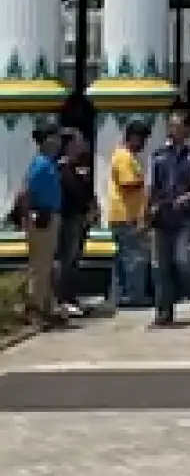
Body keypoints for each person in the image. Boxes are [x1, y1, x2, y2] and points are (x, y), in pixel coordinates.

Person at [146, 111, 190, 326]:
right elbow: (150, 186)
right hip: (163, 216)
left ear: (187, 129)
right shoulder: (158, 154)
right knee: (160, 265)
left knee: (183, 260)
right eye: (171, 126)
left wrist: (187, 198)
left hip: (187, 217)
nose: (172, 130)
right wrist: (147, 210)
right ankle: (164, 310)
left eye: (177, 126)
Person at [20, 123, 65, 327]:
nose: (58, 142)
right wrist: (28, 216)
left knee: (46, 266)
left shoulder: (48, 163)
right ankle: (35, 310)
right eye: (54, 137)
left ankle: (46, 308)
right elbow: (25, 193)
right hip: (41, 218)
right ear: (46, 140)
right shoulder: (40, 164)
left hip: (50, 216)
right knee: (40, 267)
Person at [108, 119, 152, 308]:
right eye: (142, 140)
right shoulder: (124, 157)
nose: (144, 144)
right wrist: (146, 183)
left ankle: (122, 295)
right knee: (135, 257)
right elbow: (127, 184)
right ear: (134, 138)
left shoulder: (126, 156)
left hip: (125, 215)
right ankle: (134, 296)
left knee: (125, 257)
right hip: (127, 215)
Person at [55, 128, 96, 317]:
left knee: (75, 259)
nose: (83, 145)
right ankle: (64, 299)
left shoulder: (77, 166)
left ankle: (71, 298)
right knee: (68, 260)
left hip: (79, 217)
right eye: (78, 141)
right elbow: (72, 193)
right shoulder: (62, 168)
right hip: (69, 218)